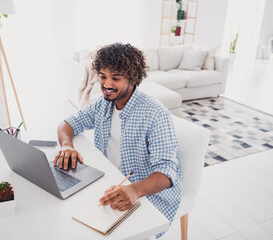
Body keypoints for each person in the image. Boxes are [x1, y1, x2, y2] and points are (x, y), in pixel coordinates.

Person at [55, 42, 182, 230]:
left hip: (144, 191)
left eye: (115, 78)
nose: (106, 84)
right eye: (103, 77)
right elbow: (66, 124)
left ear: (133, 78)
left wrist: (135, 189)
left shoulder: (155, 114)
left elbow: (167, 172)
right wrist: (66, 145)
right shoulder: (104, 104)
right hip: (108, 179)